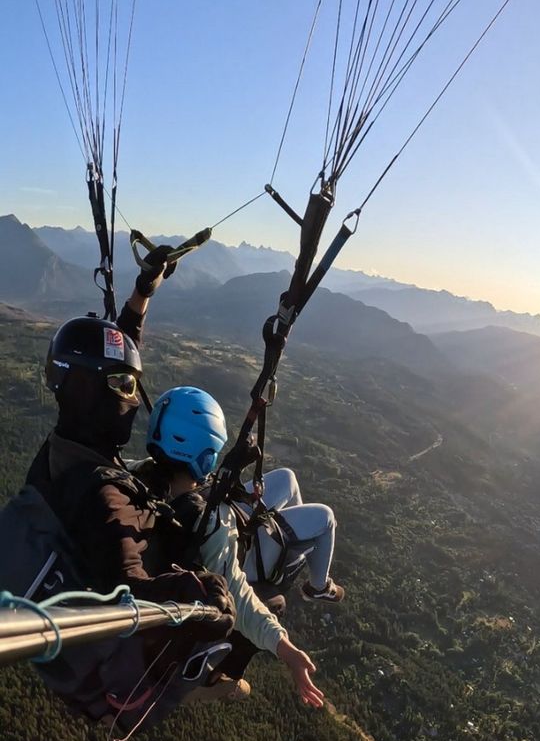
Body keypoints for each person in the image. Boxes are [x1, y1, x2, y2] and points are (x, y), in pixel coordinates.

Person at [25, 253, 239, 706]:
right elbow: (133, 597)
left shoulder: (72, 442)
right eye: (123, 387)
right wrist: (196, 593)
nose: (133, 396)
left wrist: (143, 293)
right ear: (94, 394)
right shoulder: (101, 496)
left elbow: (113, 360)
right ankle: (221, 677)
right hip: (132, 668)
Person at [137, 386, 326, 709]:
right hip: (186, 626)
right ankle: (216, 674)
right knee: (274, 598)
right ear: (207, 456)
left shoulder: (136, 478)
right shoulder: (210, 520)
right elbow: (239, 596)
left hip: (152, 598)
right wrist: (286, 649)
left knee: (287, 482)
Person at [242, 467, 345, 604]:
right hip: (240, 552)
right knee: (326, 518)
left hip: (223, 517)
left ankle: (296, 549)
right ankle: (319, 587)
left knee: (287, 477)